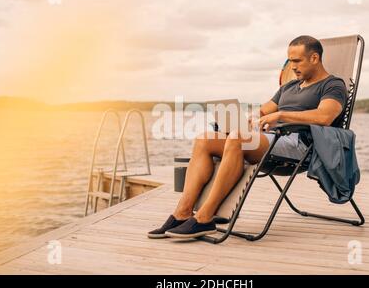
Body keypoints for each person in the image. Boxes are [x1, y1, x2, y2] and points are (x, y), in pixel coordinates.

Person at [147, 35, 347, 239]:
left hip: (300, 145)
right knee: (205, 139)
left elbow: (324, 116)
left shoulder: (333, 85)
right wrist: (247, 120)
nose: (292, 67)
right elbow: (262, 112)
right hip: (271, 138)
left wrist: (280, 115)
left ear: (314, 58)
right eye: (289, 61)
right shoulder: (289, 87)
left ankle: (205, 218)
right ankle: (182, 212)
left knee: (238, 139)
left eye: (297, 61)